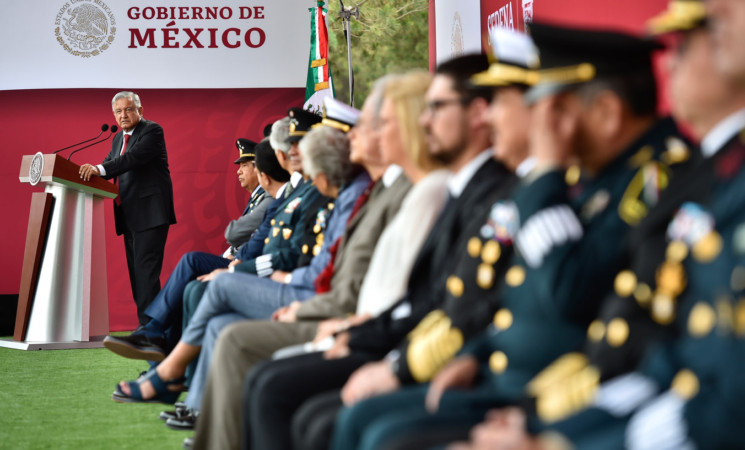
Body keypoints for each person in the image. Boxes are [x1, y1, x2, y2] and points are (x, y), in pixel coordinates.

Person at [325, 22, 692, 450]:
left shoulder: (647, 182)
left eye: (546, 106)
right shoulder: (586, 181)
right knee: (359, 422)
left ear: (607, 113)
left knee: (380, 435)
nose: (495, 114)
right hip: (511, 378)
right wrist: (476, 356)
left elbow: (571, 296)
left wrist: (539, 422)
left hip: (567, 398)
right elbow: (511, 301)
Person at [241, 52, 520, 450]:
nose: (426, 121)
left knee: (290, 397)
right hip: (390, 332)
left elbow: (439, 301)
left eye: (435, 109)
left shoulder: (443, 190)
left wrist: (373, 345)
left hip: (413, 344)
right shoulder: (442, 189)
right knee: (271, 379)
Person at [190, 76, 413, 450]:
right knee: (223, 321)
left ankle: (171, 375)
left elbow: (351, 278)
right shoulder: (364, 189)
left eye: (370, 126)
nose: (355, 136)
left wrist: (316, 311)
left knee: (230, 315)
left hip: (337, 312)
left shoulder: (372, 190)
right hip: (324, 300)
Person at [101, 133, 285, 359]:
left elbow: (237, 234)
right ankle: (159, 356)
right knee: (189, 286)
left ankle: (153, 335)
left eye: (244, 166)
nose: (238, 171)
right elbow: (250, 238)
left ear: (261, 171)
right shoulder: (265, 198)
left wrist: (236, 262)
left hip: (259, 271)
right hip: (244, 262)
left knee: (191, 264)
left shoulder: (272, 198)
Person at [79, 91, 176, 325]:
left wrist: (98, 169)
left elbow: (130, 160)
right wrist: (85, 174)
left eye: (129, 109)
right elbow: (108, 164)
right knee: (137, 276)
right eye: (118, 111)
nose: (123, 115)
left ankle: (152, 329)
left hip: (151, 214)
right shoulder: (117, 139)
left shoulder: (152, 131)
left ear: (140, 111)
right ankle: (147, 326)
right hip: (129, 215)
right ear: (113, 115)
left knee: (146, 275)